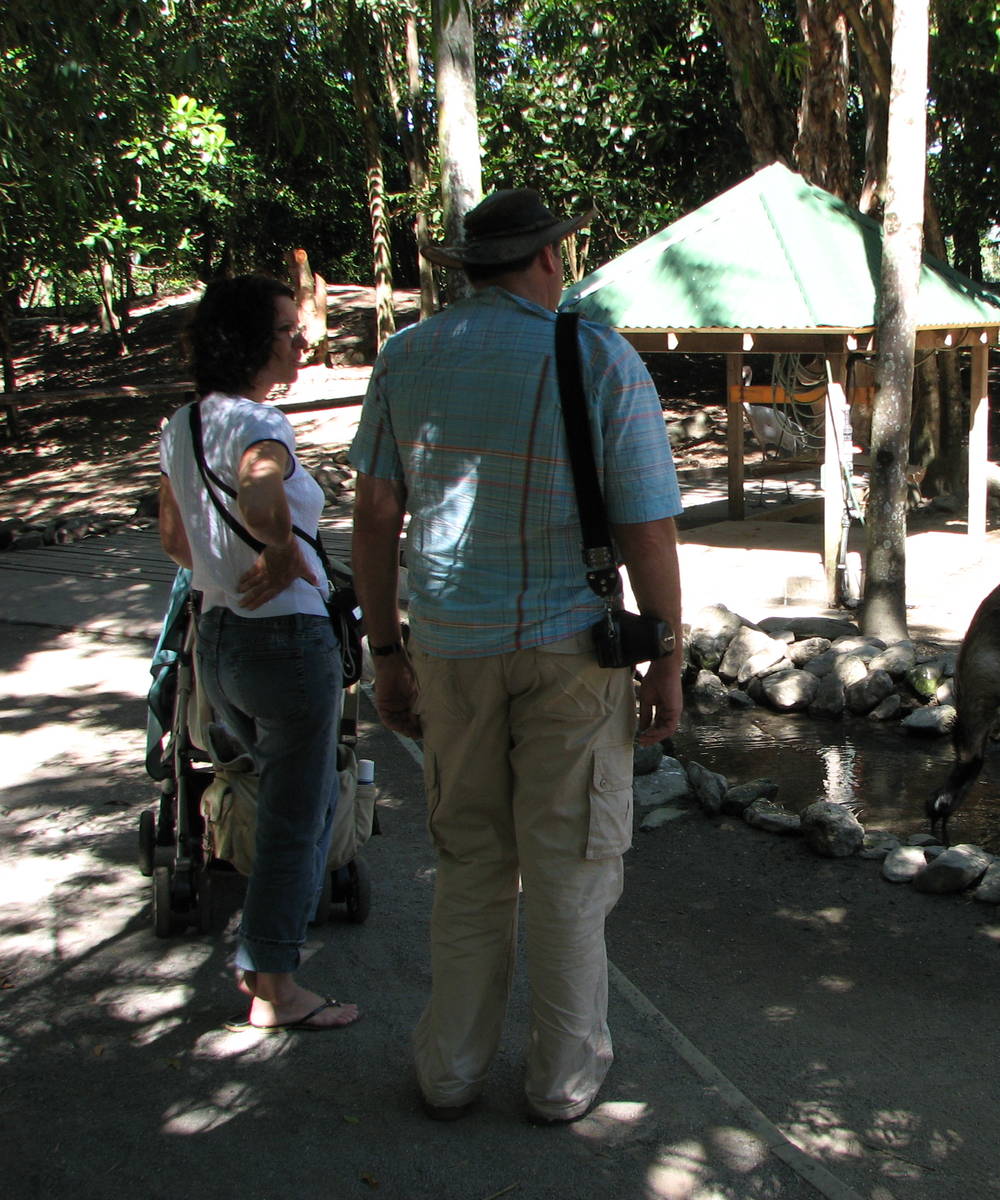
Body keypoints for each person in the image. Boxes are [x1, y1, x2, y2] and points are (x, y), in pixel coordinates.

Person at [350, 186, 683, 1124]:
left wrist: (386, 651)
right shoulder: (601, 358)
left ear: (472, 269)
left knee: (470, 864)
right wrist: (665, 655)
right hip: (572, 653)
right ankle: (560, 1080)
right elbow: (646, 529)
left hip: (449, 651)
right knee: (571, 871)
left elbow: (374, 517)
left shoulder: (406, 357)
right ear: (546, 259)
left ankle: (449, 1072)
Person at [157, 275, 360, 1032]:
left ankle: (266, 957)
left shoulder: (182, 424)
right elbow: (259, 487)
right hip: (285, 642)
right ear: (248, 342)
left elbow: (174, 537)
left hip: (219, 640)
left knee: (278, 792)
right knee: (295, 814)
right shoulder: (259, 422)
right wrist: (277, 550)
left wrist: (224, 572)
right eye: (288, 331)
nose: (303, 343)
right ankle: (274, 985)